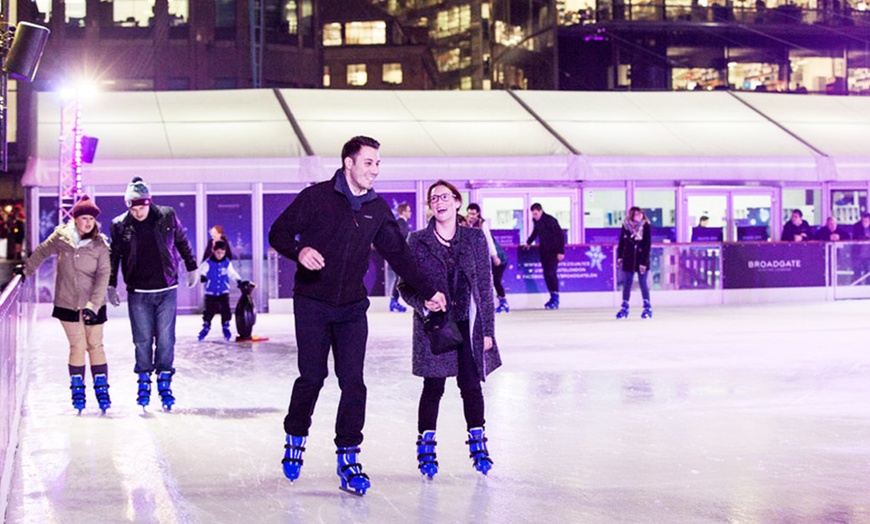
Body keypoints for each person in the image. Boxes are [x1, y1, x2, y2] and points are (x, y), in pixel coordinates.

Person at [269, 135, 446, 496]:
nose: (375, 170)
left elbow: (400, 256)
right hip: (312, 303)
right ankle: (295, 434)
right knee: (313, 376)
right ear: (348, 163)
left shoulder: (376, 209)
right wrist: (300, 251)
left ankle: (348, 456)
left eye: (378, 163)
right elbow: (279, 233)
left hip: (351, 307)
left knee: (354, 382)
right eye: (369, 162)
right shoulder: (316, 197)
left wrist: (429, 292)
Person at [399, 180, 501, 479]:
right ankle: (426, 445)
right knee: (433, 387)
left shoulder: (475, 238)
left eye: (445, 197)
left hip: (468, 325)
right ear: (430, 206)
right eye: (434, 198)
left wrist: (487, 331)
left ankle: (478, 443)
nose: (439, 202)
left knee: (471, 386)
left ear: (457, 202)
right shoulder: (417, 241)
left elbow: (484, 286)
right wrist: (424, 304)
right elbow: (404, 287)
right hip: (435, 326)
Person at [107, 176, 199, 411]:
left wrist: (191, 266)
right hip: (138, 292)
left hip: (166, 289)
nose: (138, 211)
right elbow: (114, 256)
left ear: (149, 202)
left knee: (166, 340)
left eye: (141, 206)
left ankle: (165, 382)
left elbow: (182, 241)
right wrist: (110, 284)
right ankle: (144, 381)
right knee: (142, 340)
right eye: (133, 207)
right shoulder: (120, 224)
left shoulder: (167, 216)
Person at [18, 196, 112, 413]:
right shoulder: (62, 237)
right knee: (77, 346)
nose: (88, 223)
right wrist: (26, 270)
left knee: (95, 345)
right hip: (67, 301)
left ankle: (101, 389)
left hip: (94, 303)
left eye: (91, 219)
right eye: (84, 218)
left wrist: (92, 304)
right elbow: (42, 251)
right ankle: (77, 390)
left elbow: (103, 276)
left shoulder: (100, 245)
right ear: (75, 219)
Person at [197, 240, 248, 341]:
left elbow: (232, 273)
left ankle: (226, 326)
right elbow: (201, 271)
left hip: (223, 292)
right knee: (209, 310)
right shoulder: (208, 263)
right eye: (218, 252)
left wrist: (238, 281)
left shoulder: (226, 263)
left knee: (226, 310)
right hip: (211, 292)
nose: (220, 255)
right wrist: (202, 276)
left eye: (222, 253)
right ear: (214, 251)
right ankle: (206, 326)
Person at [466, 203, 509, 313]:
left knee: (495, 281)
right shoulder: (466, 223)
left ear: (478, 214)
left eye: (473, 214)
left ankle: (503, 303)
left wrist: (495, 257)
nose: (471, 216)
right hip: (485, 258)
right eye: (469, 213)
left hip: (498, 258)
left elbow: (488, 241)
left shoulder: (482, 224)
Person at [524, 203, 565, 310]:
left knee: (551, 273)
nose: (534, 216)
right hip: (544, 251)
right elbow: (536, 232)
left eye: (536, 214)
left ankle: (556, 298)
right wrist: (529, 242)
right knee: (546, 274)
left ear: (541, 211)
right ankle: (552, 296)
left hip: (553, 251)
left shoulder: (551, 221)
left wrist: (561, 251)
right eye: (533, 214)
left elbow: (560, 236)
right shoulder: (536, 221)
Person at [616, 206, 653, 319]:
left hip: (642, 258)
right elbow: (622, 242)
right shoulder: (626, 226)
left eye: (641, 214)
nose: (639, 216)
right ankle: (624, 307)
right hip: (628, 258)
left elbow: (647, 245)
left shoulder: (645, 226)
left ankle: (647, 307)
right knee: (627, 283)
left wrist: (643, 262)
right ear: (632, 215)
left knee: (643, 283)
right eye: (637, 214)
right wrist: (620, 256)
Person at [388, 203, 412, 313]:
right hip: (399, 256)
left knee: (400, 279)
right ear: (403, 212)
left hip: (397, 255)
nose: (410, 212)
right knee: (399, 280)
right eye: (408, 210)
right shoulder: (402, 224)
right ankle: (394, 301)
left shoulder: (399, 223)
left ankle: (394, 301)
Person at [851, 213, 870, 284]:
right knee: (857, 272)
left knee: (868, 272)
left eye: (866, 221)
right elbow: (855, 237)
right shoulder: (857, 226)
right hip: (858, 254)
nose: (864, 223)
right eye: (863, 221)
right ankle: (856, 287)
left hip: (868, 255)